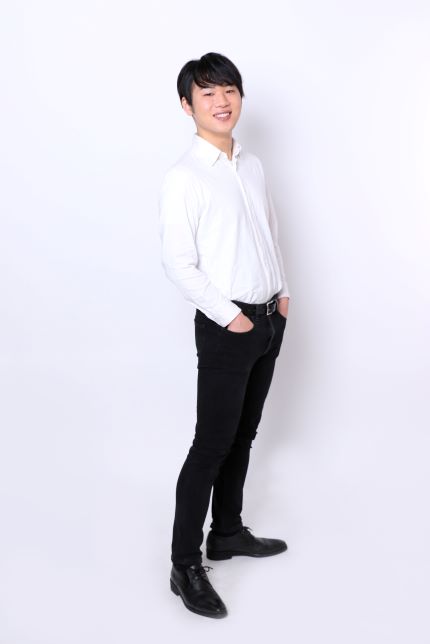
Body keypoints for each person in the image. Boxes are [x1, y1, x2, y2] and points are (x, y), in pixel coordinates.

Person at [158, 52, 291, 619]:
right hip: (226, 326)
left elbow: (268, 231)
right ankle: (184, 564)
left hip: (268, 319)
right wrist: (229, 316)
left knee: (244, 435)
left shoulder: (252, 165)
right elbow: (178, 263)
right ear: (187, 105)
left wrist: (282, 293)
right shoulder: (184, 177)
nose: (222, 101)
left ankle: (228, 532)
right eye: (208, 92)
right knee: (210, 445)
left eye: (229, 89)